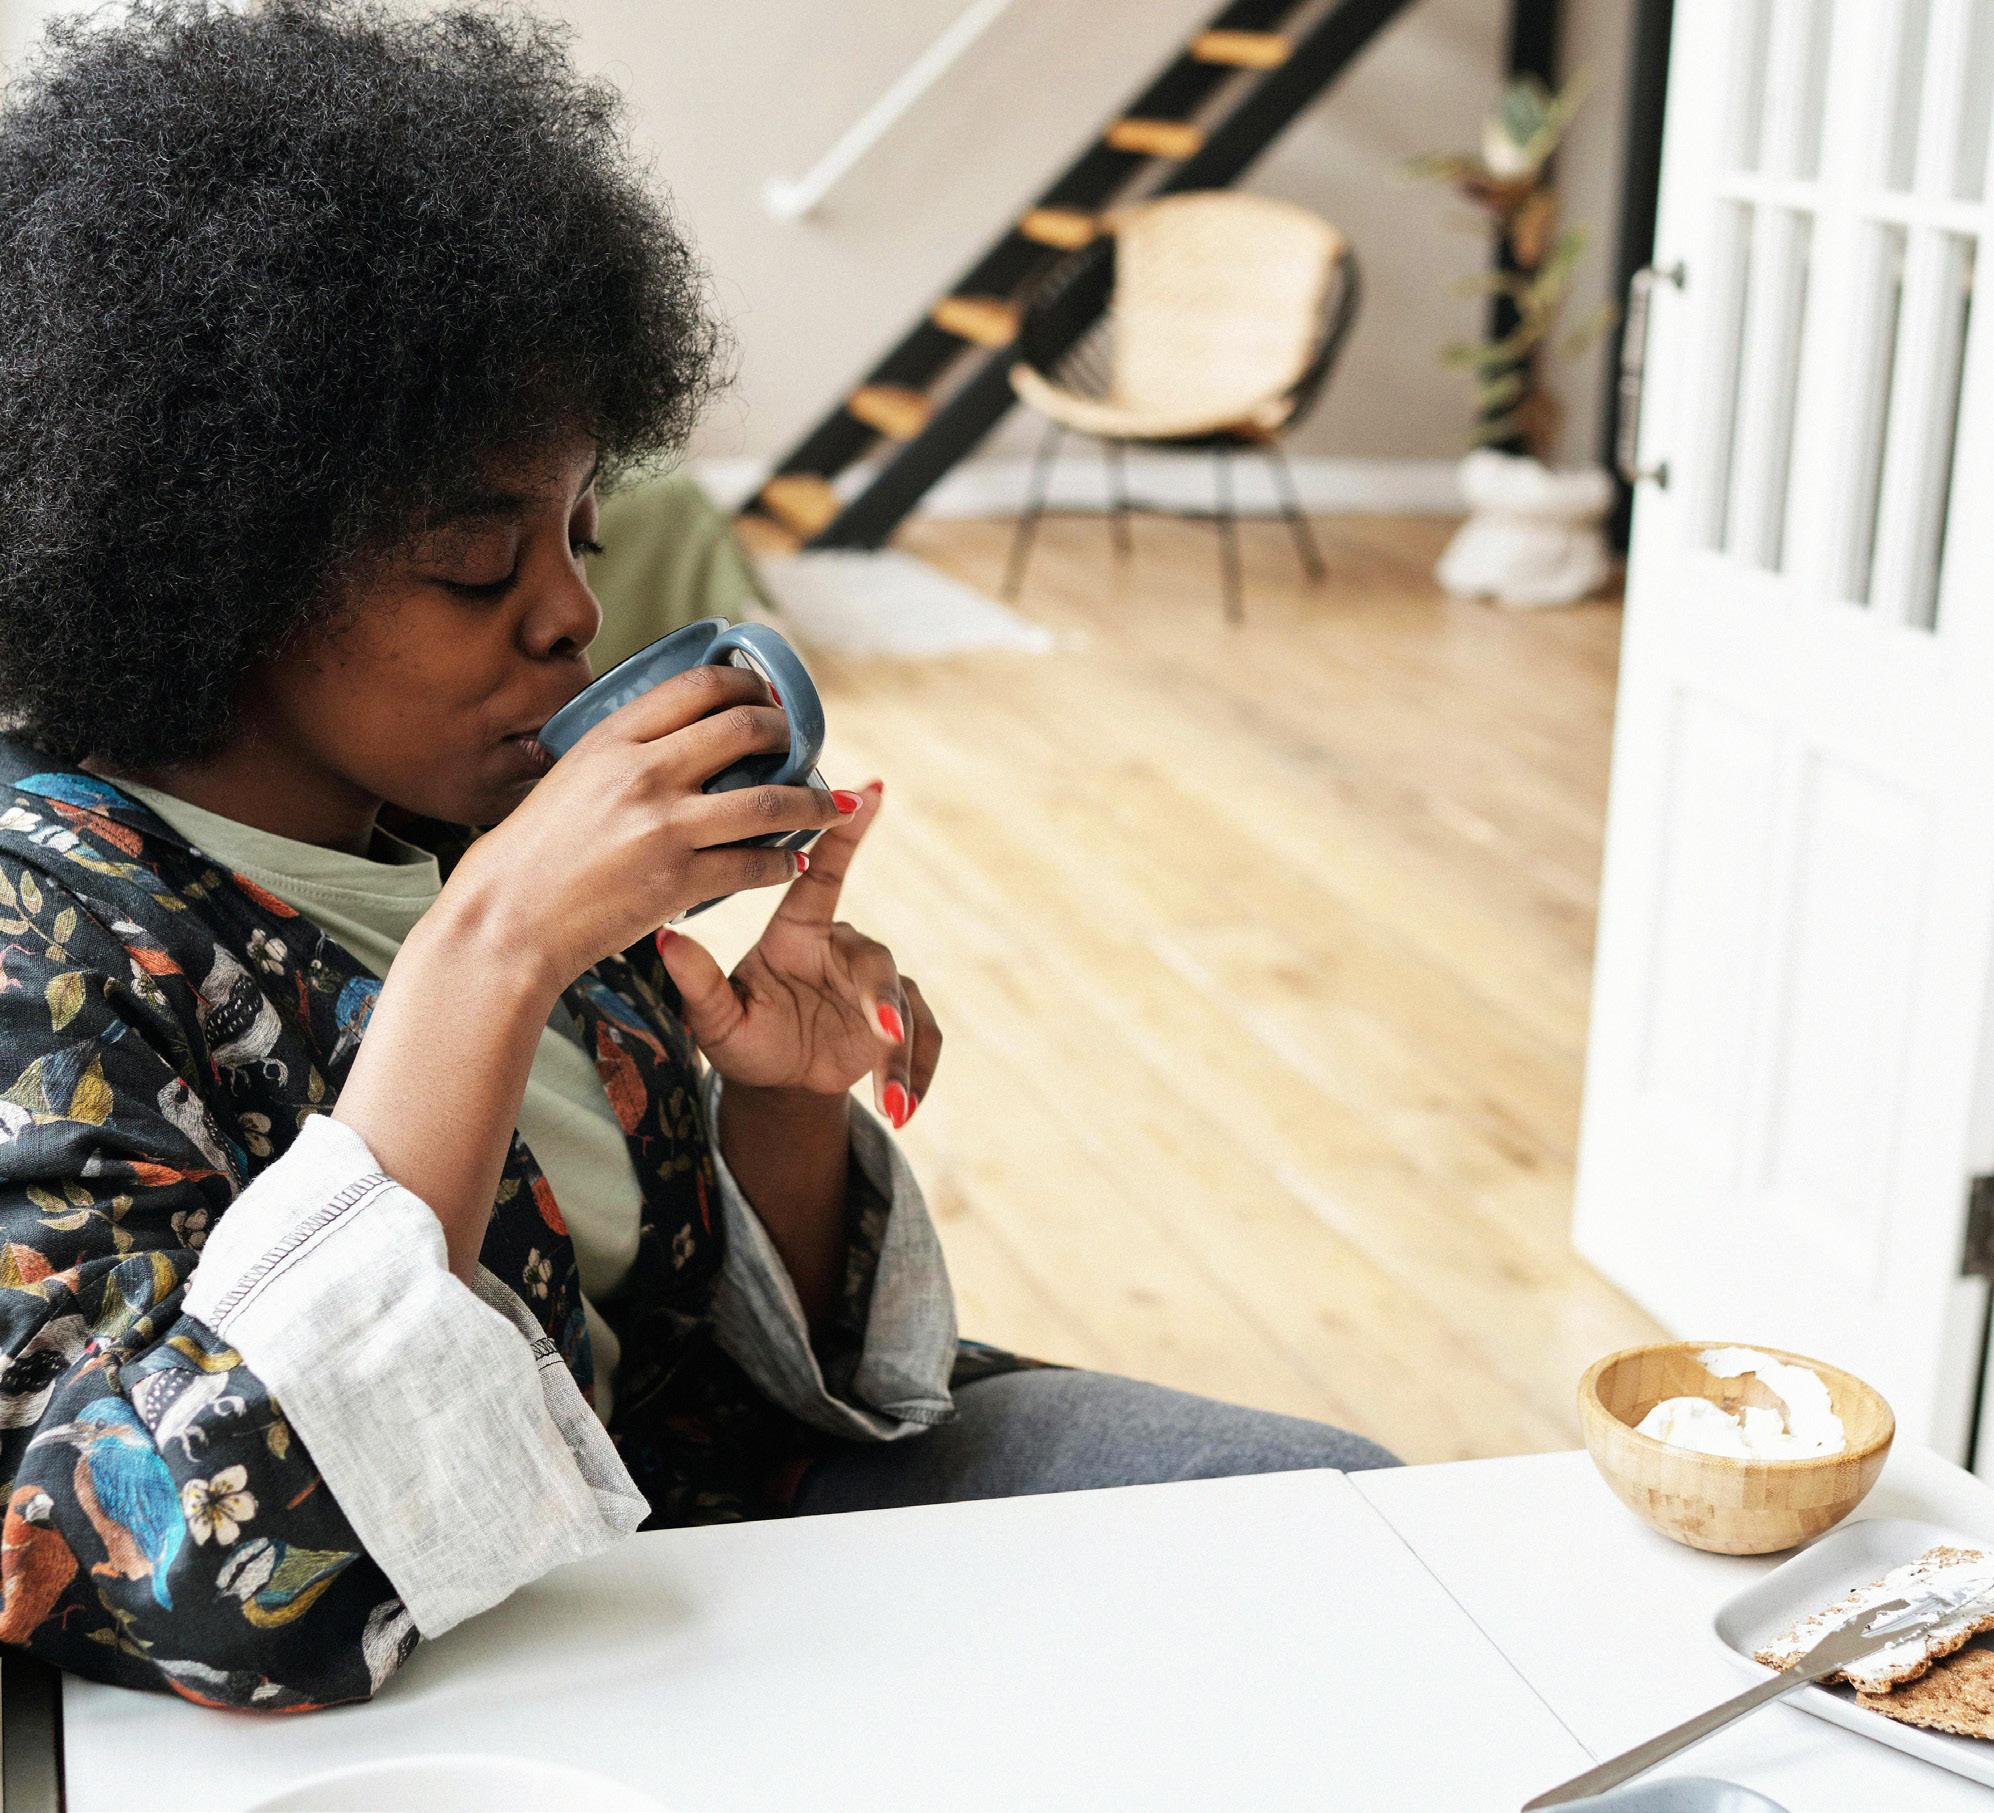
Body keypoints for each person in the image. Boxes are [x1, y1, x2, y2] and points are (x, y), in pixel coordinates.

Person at [0, 0, 1393, 1710]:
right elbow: (169, 1563)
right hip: (459, 1665)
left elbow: (720, 1362)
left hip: (729, 1539)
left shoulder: (483, 828)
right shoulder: (52, 936)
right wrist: (493, 949)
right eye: (475, 561)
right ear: (221, 555)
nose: (573, 614)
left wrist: (779, 1105)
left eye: (580, 534)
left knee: (1359, 1536)